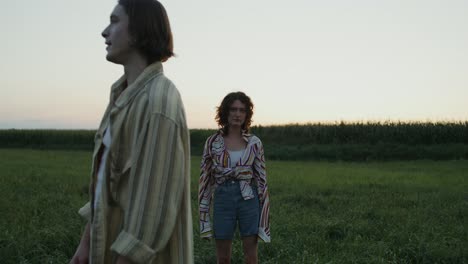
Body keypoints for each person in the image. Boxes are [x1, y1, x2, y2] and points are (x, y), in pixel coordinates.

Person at [70, 0, 193, 263]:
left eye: (114, 21)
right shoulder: (121, 95)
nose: (104, 32)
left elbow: (153, 206)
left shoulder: (159, 101)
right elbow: (106, 182)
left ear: (138, 31)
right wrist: (85, 244)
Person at [198, 92, 270, 264]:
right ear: (225, 112)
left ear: (246, 115)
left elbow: (261, 180)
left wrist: (264, 214)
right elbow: (205, 179)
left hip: (249, 198)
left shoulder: (254, 143)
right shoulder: (212, 142)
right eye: (233, 109)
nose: (237, 114)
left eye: (242, 110)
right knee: (223, 258)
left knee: (251, 257)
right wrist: (203, 212)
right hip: (223, 198)